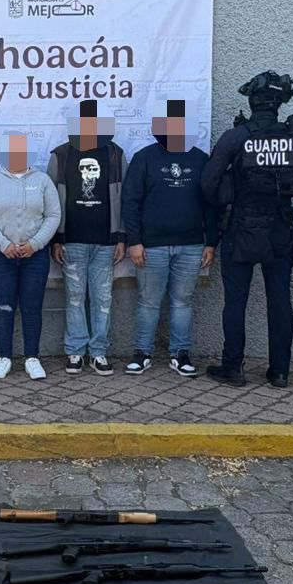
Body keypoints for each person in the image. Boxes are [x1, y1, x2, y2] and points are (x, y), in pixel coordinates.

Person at [201, 71, 293, 388]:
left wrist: (228, 200)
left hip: (240, 227)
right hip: (280, 229)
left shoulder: (236, 137)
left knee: (236, 301)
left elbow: (208, 183)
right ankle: (280, 372)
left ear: (252, 102)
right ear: (280, 103)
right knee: (280, 300)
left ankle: (233, 367)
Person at [122, 99, 218, 377]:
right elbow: (130, 201)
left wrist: (211, 242)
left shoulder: (201, 159)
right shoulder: (144, 158)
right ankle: (142, 353)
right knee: (149, 302)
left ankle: (180, 353)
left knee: (182, 301)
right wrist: (134, 241)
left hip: (191, 245)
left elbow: (212, 204)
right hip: (151, 246)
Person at [47, 100, 127, 376]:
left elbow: (124, 198)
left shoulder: (115, 154)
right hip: (72, 241)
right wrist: (56, 239)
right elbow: (51, 201)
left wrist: (121, 237)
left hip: (106, 241)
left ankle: (99, 352)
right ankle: (75, 351)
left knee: (103, 299)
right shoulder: (61, 155)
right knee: (74, 297)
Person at [0, 133, 61, 380]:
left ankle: (32, 358)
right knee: (3, 307)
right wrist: (3, 244)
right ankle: (4, 358)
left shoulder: (42, 181)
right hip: (2, 256)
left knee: (32, 307)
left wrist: (35, 244)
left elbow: (53, 215)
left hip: (35, 257)